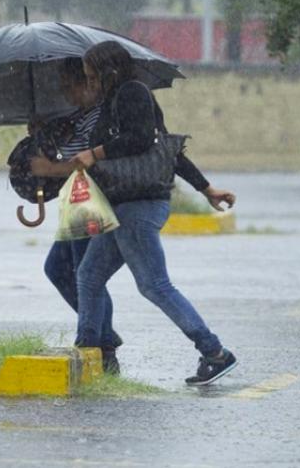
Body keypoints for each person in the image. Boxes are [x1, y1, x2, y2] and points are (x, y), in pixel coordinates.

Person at [66, 40, 238, 386]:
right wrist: (207, 189)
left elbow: (144, 140)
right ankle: (88, 351)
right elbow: (168, 149)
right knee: (89, 276)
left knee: (154, 285)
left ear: (107, 70)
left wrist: (95, 153)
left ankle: (215, 352)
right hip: (123, 205)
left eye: (92, 75)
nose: (90, 82)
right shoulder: (113, 102)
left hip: (140, 204)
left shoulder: (132, 93)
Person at [26, 57, 124, 373]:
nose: (67, 94)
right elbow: (71, 153)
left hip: (92, 201)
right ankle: (103, 334)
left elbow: (84, 162)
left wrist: (48, 168)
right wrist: (42, 133)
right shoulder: (81, 117)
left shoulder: (100, 117)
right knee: (60, 268)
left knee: (87, 275)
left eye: (72, 87)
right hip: (77, 201)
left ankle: (101, 343)